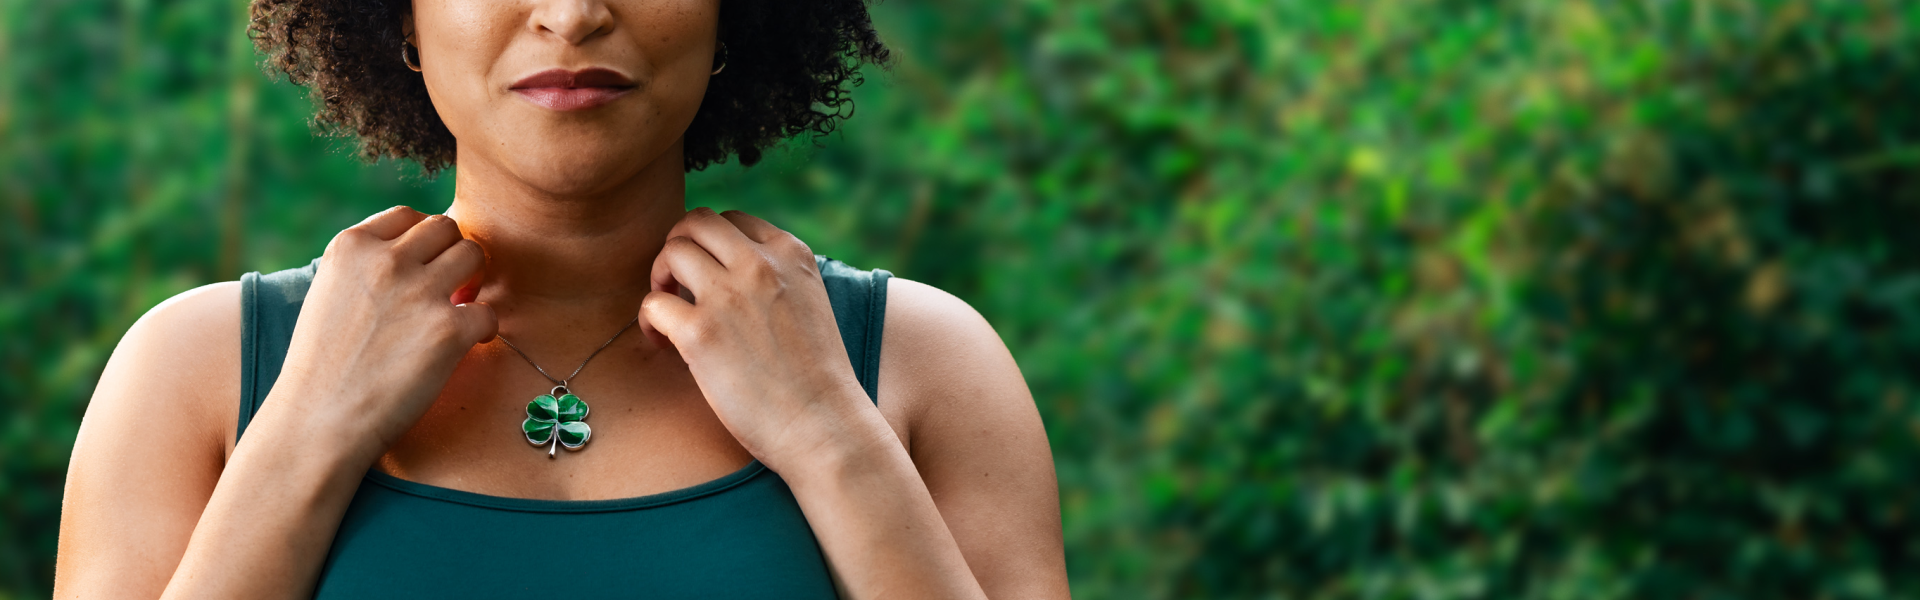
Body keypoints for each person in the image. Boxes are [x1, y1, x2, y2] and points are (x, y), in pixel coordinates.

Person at [52, 0, 1068, 598]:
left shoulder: (923, 361)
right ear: (399, 15)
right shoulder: (190, 369)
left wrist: (833, 436)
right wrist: (309, 425)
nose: (574, 12)